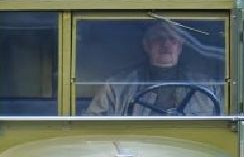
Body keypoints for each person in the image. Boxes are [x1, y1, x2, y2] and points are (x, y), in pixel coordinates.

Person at [86, 19, 221, 115]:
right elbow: (93, 124)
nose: (166, 45)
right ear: (147, 46)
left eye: (172, 40)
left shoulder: (207, 86)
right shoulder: (117, 86)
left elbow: (222, 125)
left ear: (179, 47)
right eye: (159, 39)